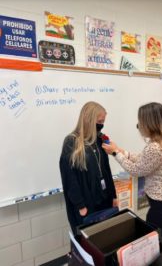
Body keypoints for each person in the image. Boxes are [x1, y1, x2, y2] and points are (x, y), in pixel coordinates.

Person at [102, 102, 162, 266]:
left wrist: (115, 153)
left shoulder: (155, 148)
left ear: (149, 124)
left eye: (140, 123)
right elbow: (144, 160)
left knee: (159, 252)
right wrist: (122, 151)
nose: (139, 127)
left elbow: (137, 170)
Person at [59, 101, 117, 236]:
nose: (101, 125)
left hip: (104, 199)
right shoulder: (71, 142)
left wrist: (113, 195)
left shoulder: (99, 139)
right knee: (88, 241)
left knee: (105, 237)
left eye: (103, 121)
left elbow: (106, 169)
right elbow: (69, 178)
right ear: (89, 120)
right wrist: (80, 205)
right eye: (100, 121)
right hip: (86, 204)